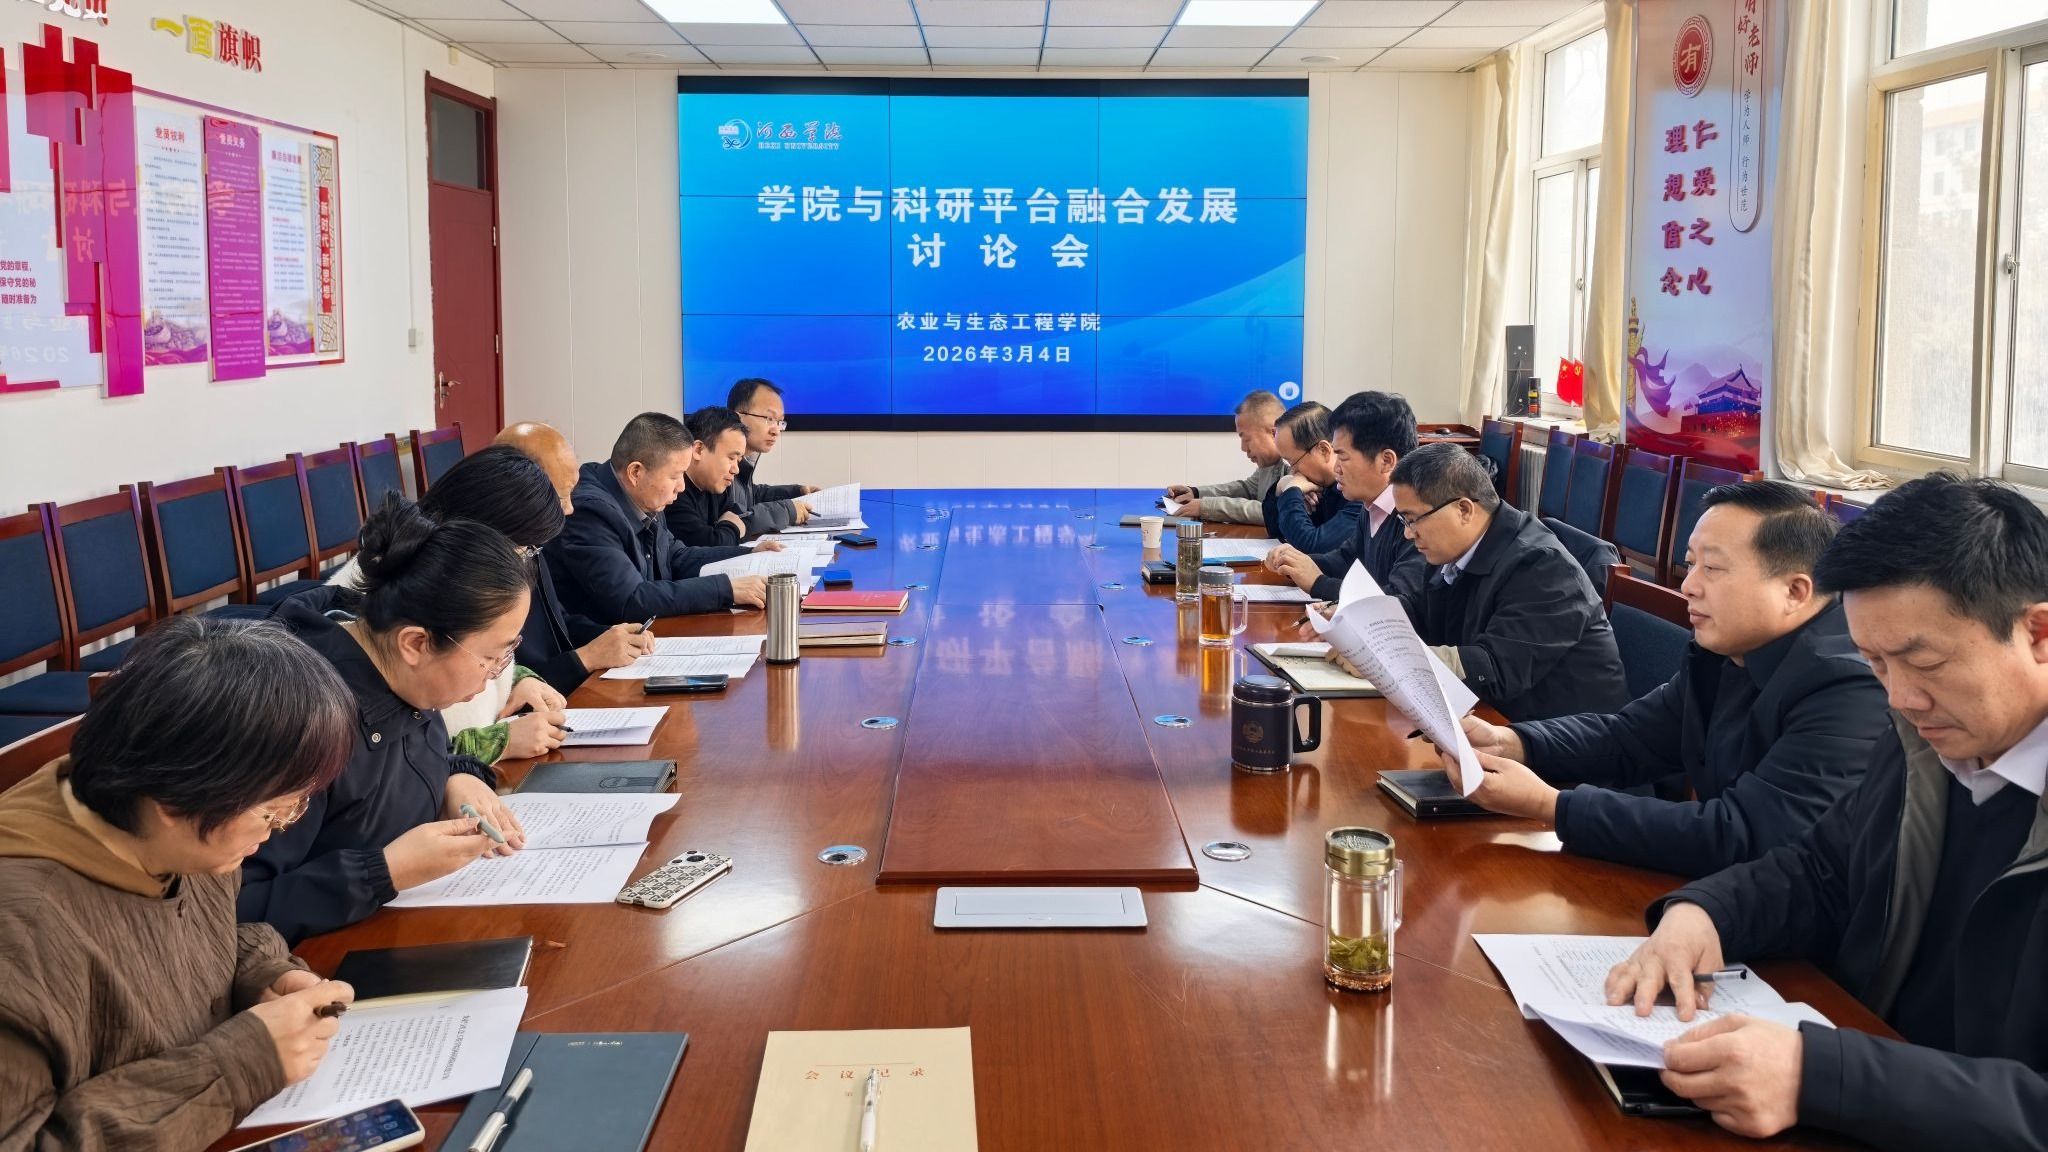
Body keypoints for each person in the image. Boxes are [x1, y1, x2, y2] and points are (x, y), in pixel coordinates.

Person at [1605, 474, 2048, 1149]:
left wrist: (1821, 1075)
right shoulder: (1927, 742)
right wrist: (1704, 913)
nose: (1899, 698)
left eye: (1923, 661)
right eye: (1876, 664)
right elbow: (1821, 870)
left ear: (2038, 633)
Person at [0, 616, 358, 1149]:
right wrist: (241, 1065)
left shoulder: (181, 837)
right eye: (275, 810)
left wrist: (263, 974)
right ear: (173, 802)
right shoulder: (22, 938)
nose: (280, 828)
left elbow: (203, 938)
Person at [1446, 482, 1889, 877]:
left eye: (1712, 569)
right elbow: (1629, 737)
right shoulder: (1722, 651)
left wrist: (1550, 806)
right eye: (1690, 565)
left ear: (1795, 591)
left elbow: (1744, 834)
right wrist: (1514, 742)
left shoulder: (1847, 689)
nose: (1689, 586)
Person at [244, 501, 534, 943]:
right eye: (492, 657)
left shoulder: (404, 676)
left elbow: (425, 758)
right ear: (415, 643)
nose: (495, 675)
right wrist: (383, 873)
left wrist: (457, 777)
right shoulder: (297, 723)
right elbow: (232, 908)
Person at [328, 447, 574, 764]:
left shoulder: (464, 580)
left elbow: (476, 652)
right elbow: (391, 753)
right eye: (523, 548)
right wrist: (495, 743)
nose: (521, 561)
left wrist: (518, 679)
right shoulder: (389, 593)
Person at [1386, 442, 1627, 721]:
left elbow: (1496, 670)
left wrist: (1397, 659)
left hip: (1567, 735)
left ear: (1464, 510)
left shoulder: (1543, 567)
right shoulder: (1453, 550)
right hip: (1497, 720)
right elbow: (1422, 611)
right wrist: (1372, 624)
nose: (1408, 534)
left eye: (1413, 520)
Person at [547, 412, 775, 623]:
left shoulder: (644, 497)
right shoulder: (589, 512)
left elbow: (677, 557)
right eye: (675, 476)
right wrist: (725, 589)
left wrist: (749, 554)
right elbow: (631, 600)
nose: (682, 487)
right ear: (636, 472)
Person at [494, 421, 657, 695]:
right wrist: (587, 657)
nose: (570, 509)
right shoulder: (483, 565)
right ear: (519, 490)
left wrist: (609, 635)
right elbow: (504, 687)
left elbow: (559, 621)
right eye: (561, 498)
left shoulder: (528, 543)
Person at [1265, 391, 1427, 606]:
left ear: (1386, 461)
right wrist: (1296, 562)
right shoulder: (1372, 506)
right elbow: (1346, 558)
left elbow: (1398, 599)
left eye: (1343, 457)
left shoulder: (1417, 517)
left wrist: (1318, 583)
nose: (1336, 468)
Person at [1164, 390, 1284, 525]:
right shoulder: (1269, 465)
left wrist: (1207, 507)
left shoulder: (1294, 465)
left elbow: (1274, 512)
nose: (1243, 448)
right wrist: (1196, 492)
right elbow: (1246, 489)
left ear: (1273, 433)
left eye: (1247, 439)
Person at [1264, 401, 1360, 552]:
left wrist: (1291, 492)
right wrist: (1281, 487)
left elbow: (1311, 546)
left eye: (1292, 461)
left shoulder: (1358, 494)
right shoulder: (1316, 485)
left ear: (1323, 450)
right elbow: (1276, 532)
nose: (1292, 471)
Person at [728, 377, 818, 535]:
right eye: (769, 419)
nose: (776, 431)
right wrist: (787, 511)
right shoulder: (719, 463)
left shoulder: (746, 458)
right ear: (738, 417)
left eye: (780, 422)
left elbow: (751, 496)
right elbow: (735, 519)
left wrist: (797, 492)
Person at [665, 405, 756, 547]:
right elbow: (710, 544)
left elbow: (745, 521)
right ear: (699, 450)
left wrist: (728, 529)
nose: (736, 470)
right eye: (731, 458)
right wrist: (731, 527)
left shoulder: (714, 485)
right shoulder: (674, 494)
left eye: (738, 461)